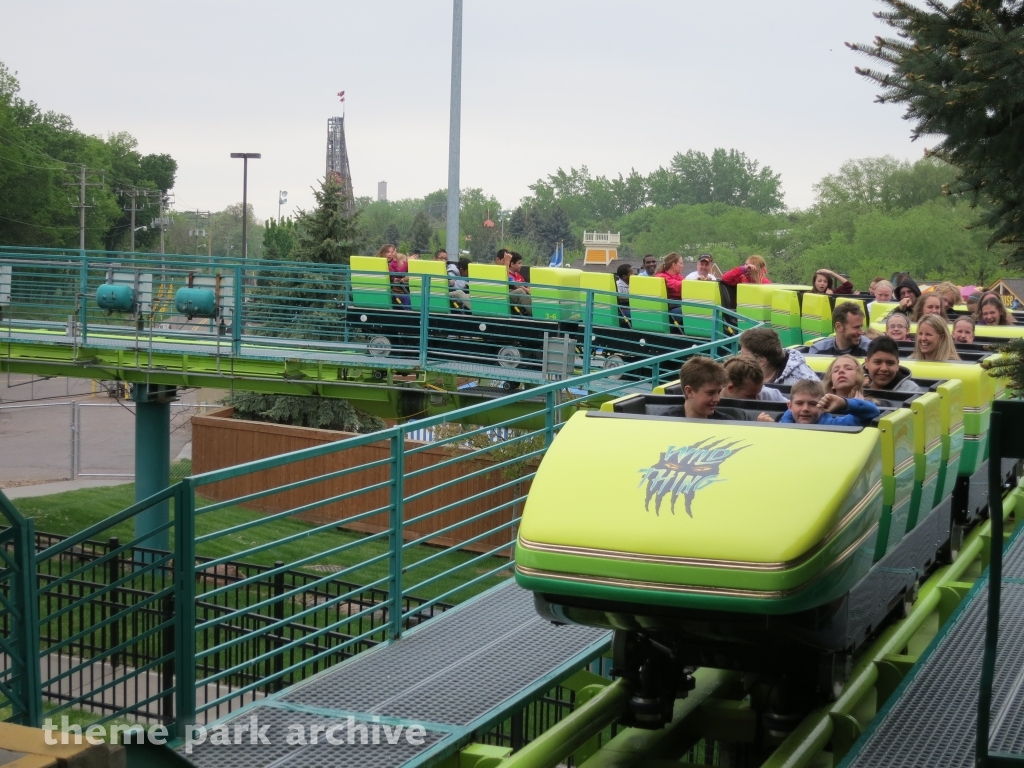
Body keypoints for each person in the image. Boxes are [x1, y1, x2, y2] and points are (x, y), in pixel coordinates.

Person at [778, 379, 881, 426]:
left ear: (823, 407)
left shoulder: (834, 425)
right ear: (790, 406)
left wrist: (844, 403)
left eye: (813, 404)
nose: (805, 409)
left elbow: (873, 412)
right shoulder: (781, 427)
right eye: (799, 403)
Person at [739, 327, 819, 385]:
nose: (740, 359)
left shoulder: (804, 382)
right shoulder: (740, 373)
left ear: (762, 361)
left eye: (744, 356)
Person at [678, 356, 746, 420]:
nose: (717, 399)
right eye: (710, 393)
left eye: (719, 392)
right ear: (689, 391)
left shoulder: (728, 423)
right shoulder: (667, 421)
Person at [723, 355, 788, 402]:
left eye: (758, 394)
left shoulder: (769, 395)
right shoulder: (714, 403)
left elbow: (792, 408)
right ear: (731, 388)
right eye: (749, 396)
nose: (756, 400)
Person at [379, 243, 410, 308]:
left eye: (392, 252)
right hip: (386, 291)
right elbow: (399, 274)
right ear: (382, 253)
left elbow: (398, 273)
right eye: (387, 252)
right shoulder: (385, 264)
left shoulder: (392, 263)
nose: (390, 254)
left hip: (389, 289)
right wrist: (406, 263)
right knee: (407, 298)